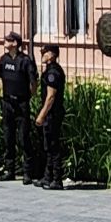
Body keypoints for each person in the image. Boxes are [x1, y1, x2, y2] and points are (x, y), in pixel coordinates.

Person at [0, 31, 37, 182]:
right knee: (8, 137)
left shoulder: (25, 61)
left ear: (15, 43)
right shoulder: (3, 60)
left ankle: (27, 172)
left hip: (21, 103)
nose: (5, 41)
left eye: (8, 40)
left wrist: (28, 97)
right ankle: (10, 169)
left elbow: (33, 83)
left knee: (23, 138)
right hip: (7, 102)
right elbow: (0, 79)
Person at [34, 44, 66, 190]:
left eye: (45, 52)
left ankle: (57, 179)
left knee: (53, 146)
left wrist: (41, 115)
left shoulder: (53, 72)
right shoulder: (49, 70)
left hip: (52, 114)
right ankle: (47, 177)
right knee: (48, 146)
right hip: (51, 114)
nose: (42, 55)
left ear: (52, 55)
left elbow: (51, 96)